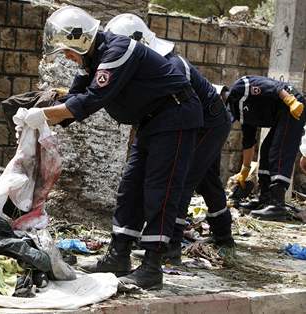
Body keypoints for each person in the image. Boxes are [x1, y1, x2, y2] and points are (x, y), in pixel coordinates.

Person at [22, 6, 203, 290]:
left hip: (175, 117)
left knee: (160, 189)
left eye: (67, 50)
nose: (67, 57)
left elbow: (90, 101)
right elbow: (77, 96)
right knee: (130, 186)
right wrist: (40, 113)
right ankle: (118, 256)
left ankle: (152, 267)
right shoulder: (91, 60)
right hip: (149, 122)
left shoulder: (118, 50)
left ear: (80, 39)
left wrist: (43, 117)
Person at [105, 13, 234, 264]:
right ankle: (223, 235)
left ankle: (171, 243)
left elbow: (175, 111)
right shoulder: (146, 65)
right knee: (205, 179)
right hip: (191, 123)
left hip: (207, 122)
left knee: (182, 177)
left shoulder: (171, 64)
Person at [226, 76, 305, 221]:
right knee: (266, 150)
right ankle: (266, 198)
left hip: (291, 107)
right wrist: (245, 169)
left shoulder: (241, 87)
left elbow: (273, 86)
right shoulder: (239, 112)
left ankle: (277, 205)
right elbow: (248, 141)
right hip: (280, 114)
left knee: (279, 151)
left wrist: (291, 100)